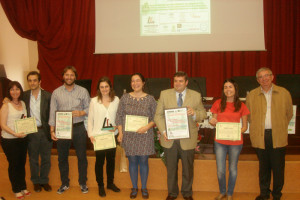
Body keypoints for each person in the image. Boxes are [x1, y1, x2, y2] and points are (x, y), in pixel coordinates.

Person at [154, 71, 207, 200]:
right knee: (171, 169)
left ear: (186, 82)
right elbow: (158, 115)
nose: (177, 84)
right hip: (169, 138)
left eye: (181, 81)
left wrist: (194, 113)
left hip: (187, 139)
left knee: (188, 170)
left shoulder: (195, 95)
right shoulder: (164, 94)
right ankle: (172, 193)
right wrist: (164, 131)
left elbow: (203, 114)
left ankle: (187, 193)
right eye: (175, 81)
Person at [246, 67, 293, 200]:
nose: (264, 79)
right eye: (261, 77)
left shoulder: (284, 93)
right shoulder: (252, 95)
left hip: (277, 136)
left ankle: (277, 194)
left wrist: (279, 125)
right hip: (260, 136)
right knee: (263, 168)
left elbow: (289, 114)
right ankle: (264, 193)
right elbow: (249, 116)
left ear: (272, 77)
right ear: (257, 80)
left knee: (278, 168)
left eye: (267, 75)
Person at [49, 66, 90, 194]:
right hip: (62, 129)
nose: (69, 77)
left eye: (72, 75)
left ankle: (83, 183)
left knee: (82, 157)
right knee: (62, 158)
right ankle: (64, 183)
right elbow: (52, 113)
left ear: (75, 77)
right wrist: (52, 131)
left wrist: (82, 112)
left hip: (78, 128)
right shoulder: (56, 92)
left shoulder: (83, 91)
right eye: (67, 75)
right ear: (63, 76)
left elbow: (90, 109)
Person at [116, 73, 157, 199]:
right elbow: (119, 116)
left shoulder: (151, 99)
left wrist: (147, 127)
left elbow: (156, 117)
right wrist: (120, 132)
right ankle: (134, 187)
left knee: (144, 160)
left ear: (143, 83)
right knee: (132, 161)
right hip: (129, 136)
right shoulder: (124, 98)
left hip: (145, 135)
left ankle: (144, 187)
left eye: (138, 80)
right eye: (133, 81)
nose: (135, 83)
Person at [209, 79, 250, 200]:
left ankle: (230, 193)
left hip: (236, 143)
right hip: (220, 142)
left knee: (232, 169)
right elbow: (213, 121)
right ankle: (222, 192)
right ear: (223, 90)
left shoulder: (242, 105)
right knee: (220, 170)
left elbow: (245, 127)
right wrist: (212, 121)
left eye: (230, 87)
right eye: (225, 87)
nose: (228, 89)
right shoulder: (218, 103)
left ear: (235, 89)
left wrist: (234, 134)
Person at [87, 77, 121, 197]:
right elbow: (90, 119)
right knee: (100, 162)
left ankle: (110, 184)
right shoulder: (94, 101)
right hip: (99, 137)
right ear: (98, 89)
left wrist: (116, 127)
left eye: (106, 86)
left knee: (111, 161)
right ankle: (100, 185)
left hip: (112, 136)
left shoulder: (116, 100)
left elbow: (119, 117)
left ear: (110, 87)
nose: (104, 89)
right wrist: (90, 135)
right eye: (102, 87)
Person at [0, 81, 31, 199]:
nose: (15, 91)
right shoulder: (5, 105)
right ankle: (16, 189)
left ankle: (23, 186)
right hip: (9, 140)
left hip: (22, 139)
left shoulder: (22, 103)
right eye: (12, 89)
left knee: (21, 164)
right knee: (14, 164)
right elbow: (2, 125)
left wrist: (24, 132)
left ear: (20, 91)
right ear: (9, 92)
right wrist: (15, 133)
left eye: (17, 89)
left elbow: (24, 119)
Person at [23, 71, 52, 193]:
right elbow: (12, 99)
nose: (32, 83)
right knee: (33, 159)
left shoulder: (48, 95)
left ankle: (44, 181)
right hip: (30, 132)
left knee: (46, 158)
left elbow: (52, 114)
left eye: (35, 80)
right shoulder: (24, 95)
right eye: (30, 80)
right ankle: (35, 181)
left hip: (44, 131)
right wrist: (7, 99)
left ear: (40, 82)